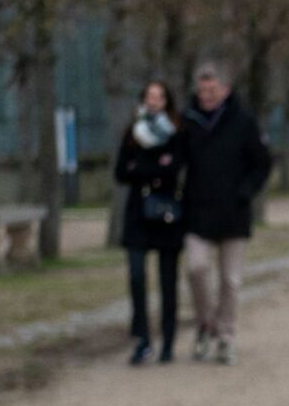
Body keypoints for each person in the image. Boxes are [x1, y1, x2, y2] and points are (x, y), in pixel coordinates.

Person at [181, 58, 272, 363]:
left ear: (225, 89)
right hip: (198, 212)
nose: (206, 96)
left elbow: (262, 163)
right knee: (196, 268)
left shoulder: (243, 121)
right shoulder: (189, 121)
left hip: (234, 213)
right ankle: (206, 323)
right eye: (202, 90)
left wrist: (245, 192)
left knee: (231, 280)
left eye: (212, 90)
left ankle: (226, 336)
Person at [115, 79, 185, 365]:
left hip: (166, 214)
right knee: (136, 276)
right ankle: (142, 337)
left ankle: (168, 339)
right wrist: (155, 169)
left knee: (168, 280)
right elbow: (121, 172)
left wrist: (142, 169)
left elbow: (173, 171)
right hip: (137, 215)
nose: (154, 101)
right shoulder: (133, 133)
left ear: (167, 101)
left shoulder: (177, 133)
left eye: (159, 97)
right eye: (149, 96)